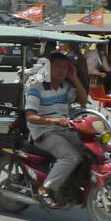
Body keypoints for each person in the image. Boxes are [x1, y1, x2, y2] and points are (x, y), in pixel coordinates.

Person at [24, 51, 89, 206]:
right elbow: (30, 117)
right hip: (43, 133)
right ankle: (44, 189)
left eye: (65, 67)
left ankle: (73, 185)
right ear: (48, 69)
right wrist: (53, 121)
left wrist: (75, 78)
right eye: (58, 67)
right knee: (71, 156)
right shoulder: (36, 89)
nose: (62, 70)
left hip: (64, 130)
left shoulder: (65, 87)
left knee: (89, 149)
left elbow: (83, 99)